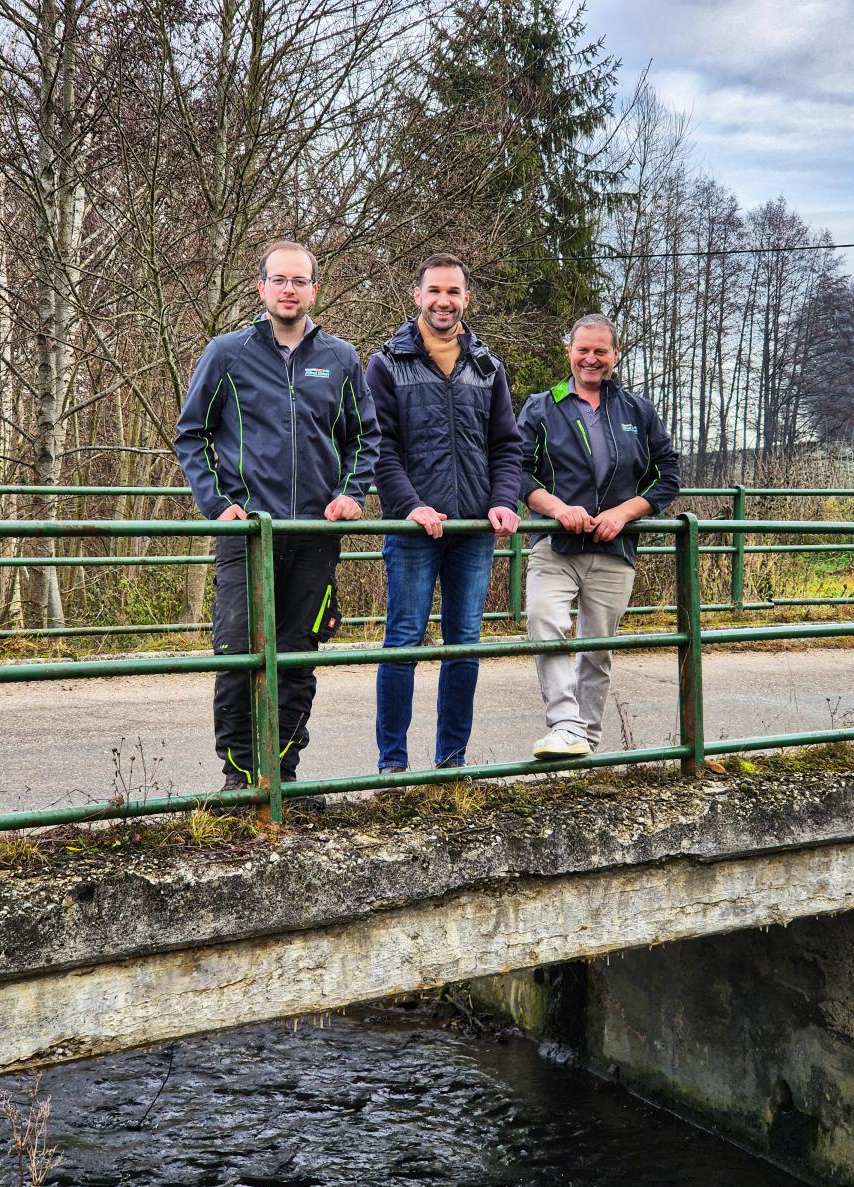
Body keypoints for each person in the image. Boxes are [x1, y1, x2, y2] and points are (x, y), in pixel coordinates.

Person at [175, 239, 380, 790]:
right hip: (247, 536)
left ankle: (282, 777)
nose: (289, 290)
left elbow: (366, 437)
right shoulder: (228, 353)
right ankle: (241, 779)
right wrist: (219, 505)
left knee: (296, 660)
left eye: (299, 281)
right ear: (261, 286)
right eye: (279, 280)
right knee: (240, 656)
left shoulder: (340, 359)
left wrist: (351, 494)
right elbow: (191, 434)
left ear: (315, 289)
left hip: (314, 535)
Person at [367, 252, 523, 780]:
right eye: (434, 290)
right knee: (403, 641)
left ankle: (451, 763)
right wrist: (410, 506)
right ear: (417, 295)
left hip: (474, 532)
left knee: (464, 645)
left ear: (466, 300)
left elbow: (507, 446)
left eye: (453, 292)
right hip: (413, 530)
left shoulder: (488, 367)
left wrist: (503, 500)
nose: (443, 301)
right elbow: (380, 447)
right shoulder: (387, 363)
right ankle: (393, 767)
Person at [517, 314, 680, 759]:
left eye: (600, 351)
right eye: (582, 349)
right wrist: (556, 508)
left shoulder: (637, 411)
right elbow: (516, 471)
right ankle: (565, 724)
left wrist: (625, 513)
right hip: (556, 544)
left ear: (614, 355)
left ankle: (584, 740)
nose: (590, 359)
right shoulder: (540, 406)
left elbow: (668, 476)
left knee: (597, 649)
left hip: (614, 550)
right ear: (568, 351)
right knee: (544, 620)